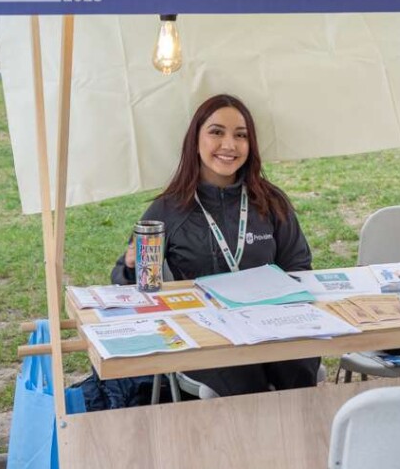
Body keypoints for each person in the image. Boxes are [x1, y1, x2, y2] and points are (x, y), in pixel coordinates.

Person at [110, 93, 320, 397]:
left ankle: (301, 428)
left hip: (273, 324)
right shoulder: (168, 209)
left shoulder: (271, 201)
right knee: (244, 376)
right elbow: (127, 284)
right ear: (195, 140)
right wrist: (132, 267)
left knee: (299, 363)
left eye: (241, 135)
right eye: (216, 132)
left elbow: (298, 266)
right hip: (206, 332)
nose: (229, 145)